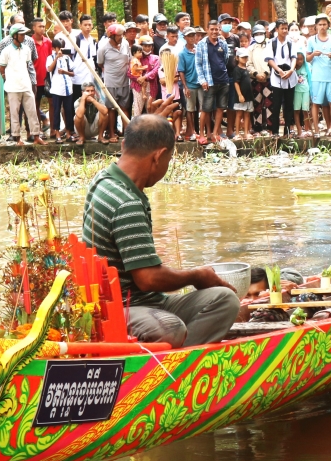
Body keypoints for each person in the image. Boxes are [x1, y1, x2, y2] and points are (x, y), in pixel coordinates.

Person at [81, 113, 239, 347]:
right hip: (124, 308)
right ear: (159, 156)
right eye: (169, 158)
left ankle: (182, 354)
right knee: (170, 328)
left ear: (124, 145)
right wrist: (197, 275)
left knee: (225, 300)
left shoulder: (102, 179)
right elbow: (148, 279)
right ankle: (177, 369)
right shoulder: (127, 203)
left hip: (142, 302)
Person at [0, 23, 47, 146]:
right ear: (15, 36)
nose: (24, 37)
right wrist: (8, 78)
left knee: (32, 112)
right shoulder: (6, 51)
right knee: (15, 113)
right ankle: (17, 138)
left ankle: (36, 136)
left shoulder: (26, 49)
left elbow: (28, 65)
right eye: (21, 34)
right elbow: (2, 69)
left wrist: (31, 81)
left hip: (26, 85)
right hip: (13, 87)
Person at [195, 20, 232, 143]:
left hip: (223, 80)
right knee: (206, 109)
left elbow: (225, 59)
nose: (214, 31)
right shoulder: (201, 44)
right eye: (212, 29)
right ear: (207, 29)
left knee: (221, 108)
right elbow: (198, 64)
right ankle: (202, 134)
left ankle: (215, 133)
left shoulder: (223, 43)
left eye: (217, 29)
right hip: (209, 82)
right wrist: (202, 80)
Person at [266, 20, 302, 137]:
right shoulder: (271, 43)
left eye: (286, 28)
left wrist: (291, 70)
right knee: (276, 106)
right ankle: (275, 131)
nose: (285, 30)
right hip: (277, 78)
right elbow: (270, 59)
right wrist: (279, 70)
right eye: (282, 28)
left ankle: (287, 130)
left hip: (290, 77)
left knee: (288, 106)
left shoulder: (291, 43)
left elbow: (294, 58)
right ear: (277, 29)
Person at [96, 23, 133, 138]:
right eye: (119, 35)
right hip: (110, 83)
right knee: (111, 109)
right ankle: (112, 134)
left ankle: (126, 135)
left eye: (122, 35)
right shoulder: (103, 48)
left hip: (125, 82)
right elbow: (100, 63)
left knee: (124, 108)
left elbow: (130, 59)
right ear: (112, 36)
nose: (122, 37)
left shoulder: (125, 44)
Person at [306, 13, 331, 136]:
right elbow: (307, 59)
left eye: (324, 24)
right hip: (316, 76)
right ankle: (316, 130)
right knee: (315, 104)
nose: (322, 27)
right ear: (316, 26)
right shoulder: (311, 40)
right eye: (320, 24)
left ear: (328, 25)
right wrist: (313, 54)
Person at [46, 38, 75, 141]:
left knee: (68, 111)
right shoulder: (50, 57)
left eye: (62, 47)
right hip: (57, 89)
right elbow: (49, 69)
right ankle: (57, 133)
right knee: (56, 110)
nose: (61, 50)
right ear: (54, 48)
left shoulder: (67, 58)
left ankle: (68, 133)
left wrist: (65, 72)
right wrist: (56, 58)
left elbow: (73, 73)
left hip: (68, 89)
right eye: (59, 48)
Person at [245, 24, 273, 134]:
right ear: (253, 35)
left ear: (265, 34)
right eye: (257, 34)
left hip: (268, 78)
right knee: (257, 104)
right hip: (255, 79)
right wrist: (256, 74)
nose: (259, 36)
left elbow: (272, 61)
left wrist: (266, 73)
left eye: (261, 34)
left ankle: (270, 127)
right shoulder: (251, 49)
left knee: (269, 103)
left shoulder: (270, 46)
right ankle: (258, 127)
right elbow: (248, 64)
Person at [31, 17, 53, 120]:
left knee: (52, 103)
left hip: (48, 79)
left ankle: (53, 130)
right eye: (40, 26)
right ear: (34, 28)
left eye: (44, 26)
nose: (42, 28)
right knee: (35, 104)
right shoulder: (29, 42)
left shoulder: (48, 42)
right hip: (35, 79)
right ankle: (37, 130)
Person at [231, 48, 254, 139]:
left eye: (246, 57)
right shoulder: (237, 70)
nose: (244, 59)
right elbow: (236, 83)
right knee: (239, 114)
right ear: (237, 58)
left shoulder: (246, 68)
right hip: (241, 96)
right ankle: (237, 133)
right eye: (242, 57)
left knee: (247, 114)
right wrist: (240, 95)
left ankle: (246, 132)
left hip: (248, 96)